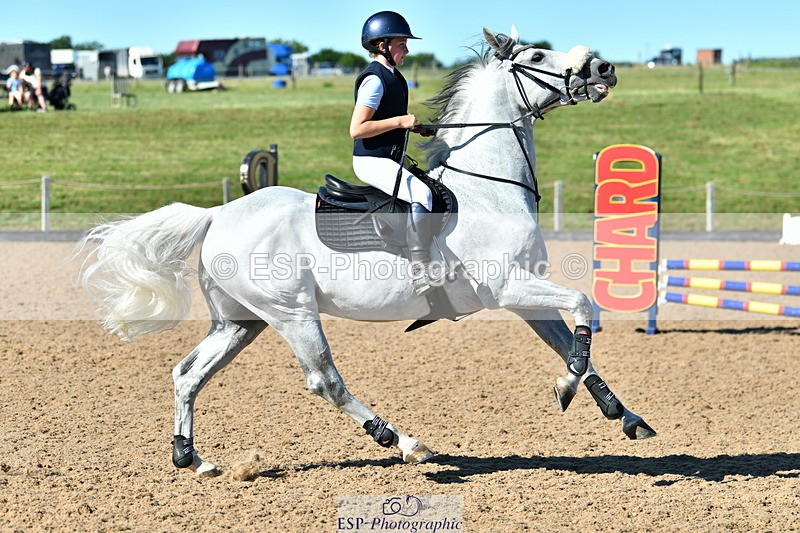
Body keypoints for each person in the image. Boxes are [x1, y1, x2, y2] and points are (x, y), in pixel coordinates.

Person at [350, 11, 438, 296]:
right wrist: (401, 122)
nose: (407, 50)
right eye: (401, 44)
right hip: (370, 161)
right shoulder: (374, 80)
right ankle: (420, 270)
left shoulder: (395, 77)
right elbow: (357, 128)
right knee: (421, 195)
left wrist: (416, 127)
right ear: (382, 45)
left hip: (388, 157)